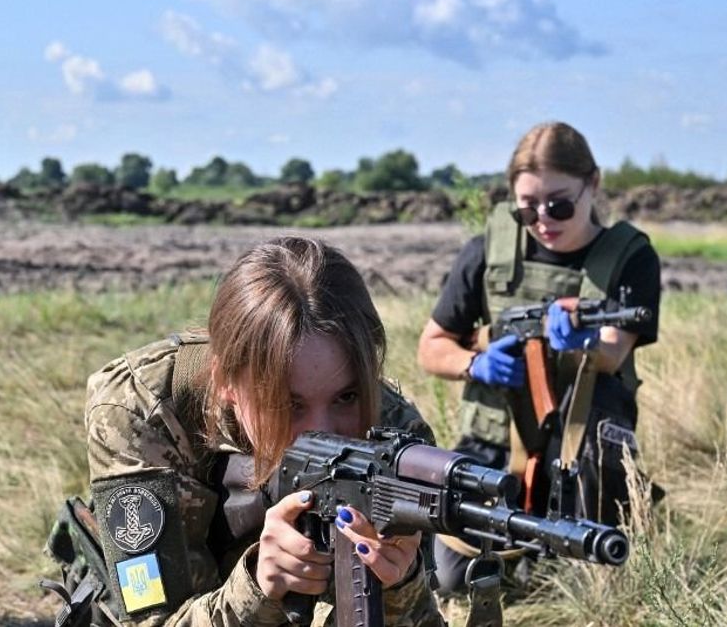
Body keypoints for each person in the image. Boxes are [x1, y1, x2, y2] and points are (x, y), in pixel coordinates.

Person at [62, 236, 444, 626]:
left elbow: (422, 615)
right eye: (289, 404)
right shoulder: (140, 409)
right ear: (224, 380)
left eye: (346, 396)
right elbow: (150, 619)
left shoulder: (395, 438)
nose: (322, 431)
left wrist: (400, 585)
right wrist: (258, 586)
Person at [416, 121, 661, 594]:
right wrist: (475, 364)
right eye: (527, 208)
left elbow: (614, 352)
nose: (544, 219)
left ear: (594, 184)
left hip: (579, 449)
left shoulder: (628, 255)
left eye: (559, 204)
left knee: (591, 578)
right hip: (494, 440)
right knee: (449, 577)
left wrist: (581, 344)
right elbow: (432, 346)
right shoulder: (489, 253)